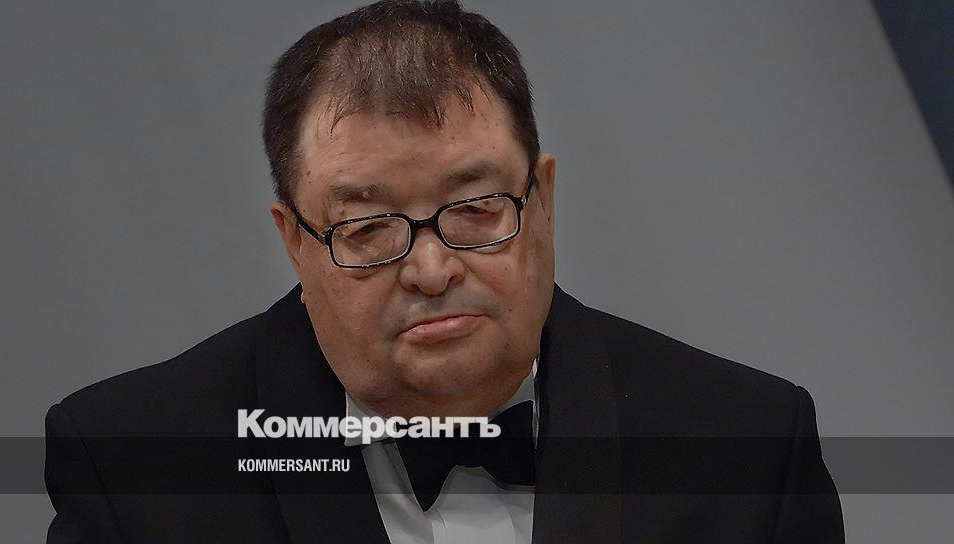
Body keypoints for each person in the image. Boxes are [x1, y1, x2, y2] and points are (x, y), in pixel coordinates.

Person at [44, 1, 844, 542]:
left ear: (542, 201)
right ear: (295, 240)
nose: (430, 269)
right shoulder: (137, 470)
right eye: (366, 227)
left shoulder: (747, 447)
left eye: (476, 209)